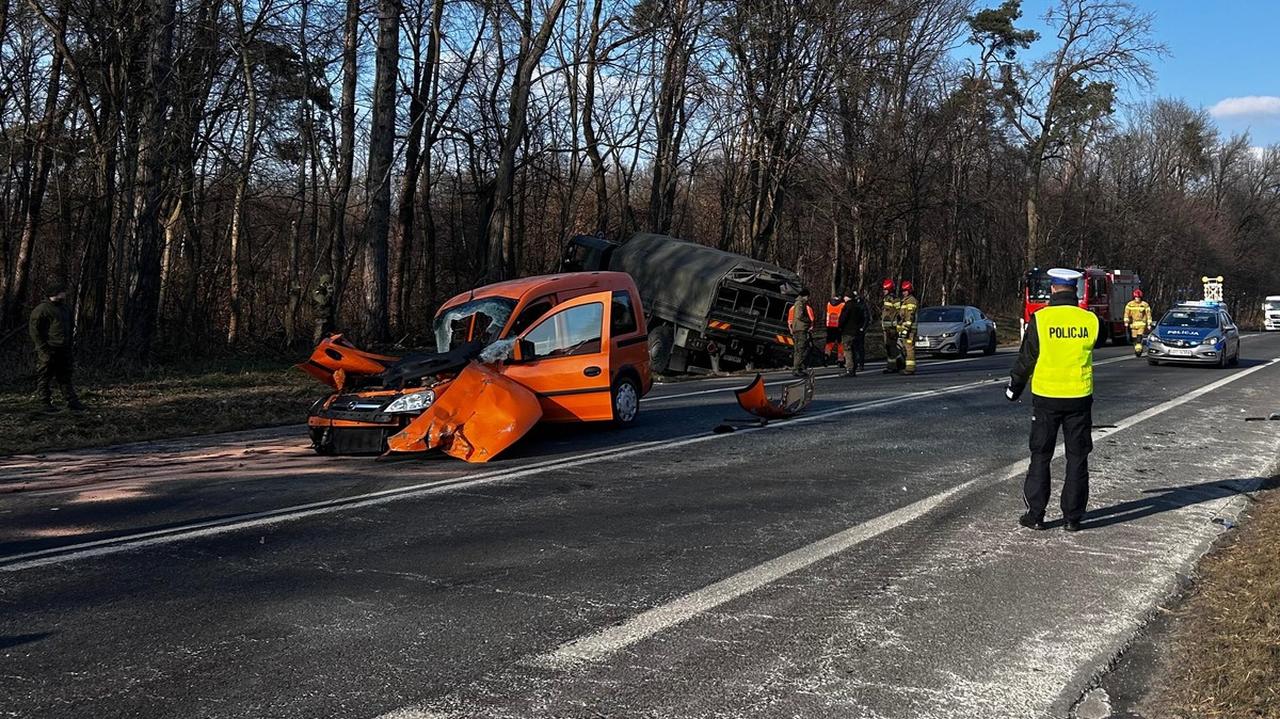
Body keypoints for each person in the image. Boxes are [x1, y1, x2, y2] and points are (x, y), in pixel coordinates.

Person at [1006, 267, 1099, 533]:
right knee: (1077, 458)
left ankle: (1036, 514)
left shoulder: (1041, 319)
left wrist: (1015, 386)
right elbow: (1095, 344)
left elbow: (1027, 357)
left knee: (1041, 455)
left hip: (1047, 398)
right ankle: (1072, 517)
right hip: (1079, 398)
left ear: (1053, 289)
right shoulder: (1090, 320)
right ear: (1076, 290)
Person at [29, 282, 83, 413]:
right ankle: (44, 402)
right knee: (45, 376)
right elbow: (34, 331)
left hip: (63, 348)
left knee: (65, 376)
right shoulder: (41, 309)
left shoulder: (65, 309)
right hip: (48, 348)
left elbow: (70, 328)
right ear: (55, 293)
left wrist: (70, 345)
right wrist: (43, 349)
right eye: (62, 291)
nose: (65, 294)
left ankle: (72, 401)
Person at [837, 290, 867, 377]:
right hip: (856, 332)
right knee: (854, 350)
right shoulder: (858, 306)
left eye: (845, 297)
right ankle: (854, 368)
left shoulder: (847, 306)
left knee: (847, 350)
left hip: (847, 331)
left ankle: (849, 369)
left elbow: (843, 318)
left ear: (847, 297)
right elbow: (863, 318)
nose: (844, 298)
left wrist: (839, 327)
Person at [788, 288, 815, 376]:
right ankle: (797, 368)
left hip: (797, 328)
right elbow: (800, 316)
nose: (808, 299)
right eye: (807, 297)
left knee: (798, 349)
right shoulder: (800, 303)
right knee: (801, 349)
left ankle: (796, 368)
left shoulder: (797, 303)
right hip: (801, 329)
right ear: (805, 296)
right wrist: (808, 321)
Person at [896, 279, 920, 375]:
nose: (904, 293)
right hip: (904, 329)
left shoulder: (911, 301)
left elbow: (910, 316)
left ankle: (910, 369)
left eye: (905, 291)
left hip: (910, 330)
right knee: (905, 349)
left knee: (909, 349)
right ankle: (906, 366)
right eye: (903, 291)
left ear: (909, 291)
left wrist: (906, 329)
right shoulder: (904, 301)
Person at [1123, 289, 1152, 357]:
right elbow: (1126, 313)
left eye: (1138, 298)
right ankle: (1137, 348)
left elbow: (1148, 314)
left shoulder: (1144, 304)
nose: (1137, 299)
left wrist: (1149, 324)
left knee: (1139, 338)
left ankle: (1138, 351)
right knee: (1134, 339)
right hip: (1133, 324)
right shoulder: (1130, 304)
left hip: (1141, 324)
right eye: (1136, 297)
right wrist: (1126, 321)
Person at [880, 279, 900, 373]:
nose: (884, 291)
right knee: (889, 346)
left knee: (891, 346)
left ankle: (893, 366)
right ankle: (892, 365)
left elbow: (898, 312)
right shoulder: (886, 299)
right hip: (887, 328)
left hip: (892, 328)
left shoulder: (893, 299)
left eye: (886, 289)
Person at [312, 274, 335, 344]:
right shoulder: (317, 291)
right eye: (328, 283)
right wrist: (329, 294)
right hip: (320, 317)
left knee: (329, 337)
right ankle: (316, 351)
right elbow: (323, 302)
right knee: (318, 337)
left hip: (328, 317)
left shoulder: (326, 291)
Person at [824, 295, 845, 365]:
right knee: (840, 343)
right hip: (839, 327)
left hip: (830, 326)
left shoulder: (829, 304)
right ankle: (840, 359)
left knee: (829, 342)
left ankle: (826, 355)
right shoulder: (842, 305)